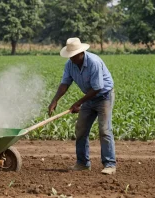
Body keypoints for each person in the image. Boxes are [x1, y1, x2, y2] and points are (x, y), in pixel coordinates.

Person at [48, 37, 116, 175]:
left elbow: (97, 88)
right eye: (69, 56)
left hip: (104, 97)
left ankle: (109, 164)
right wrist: (55, 100)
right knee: (81, 129)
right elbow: (65, 84)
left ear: (81, 53)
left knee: (104, 130)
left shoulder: (93, 62)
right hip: (88, 99)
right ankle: (83, 163)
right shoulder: (70, 65)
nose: (71, 58)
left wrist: (78, 103)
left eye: (73, 56)